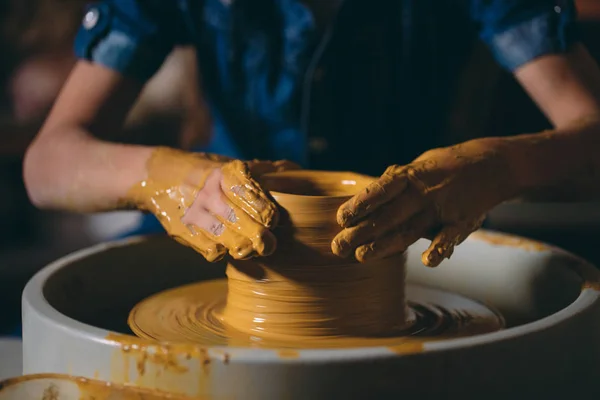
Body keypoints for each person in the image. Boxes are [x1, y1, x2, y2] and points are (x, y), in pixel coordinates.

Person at [22, 0, 600, 268]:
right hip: (214, 231)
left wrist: (498, 167)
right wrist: (171, 179)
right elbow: (47, 164)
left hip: (404, 244)